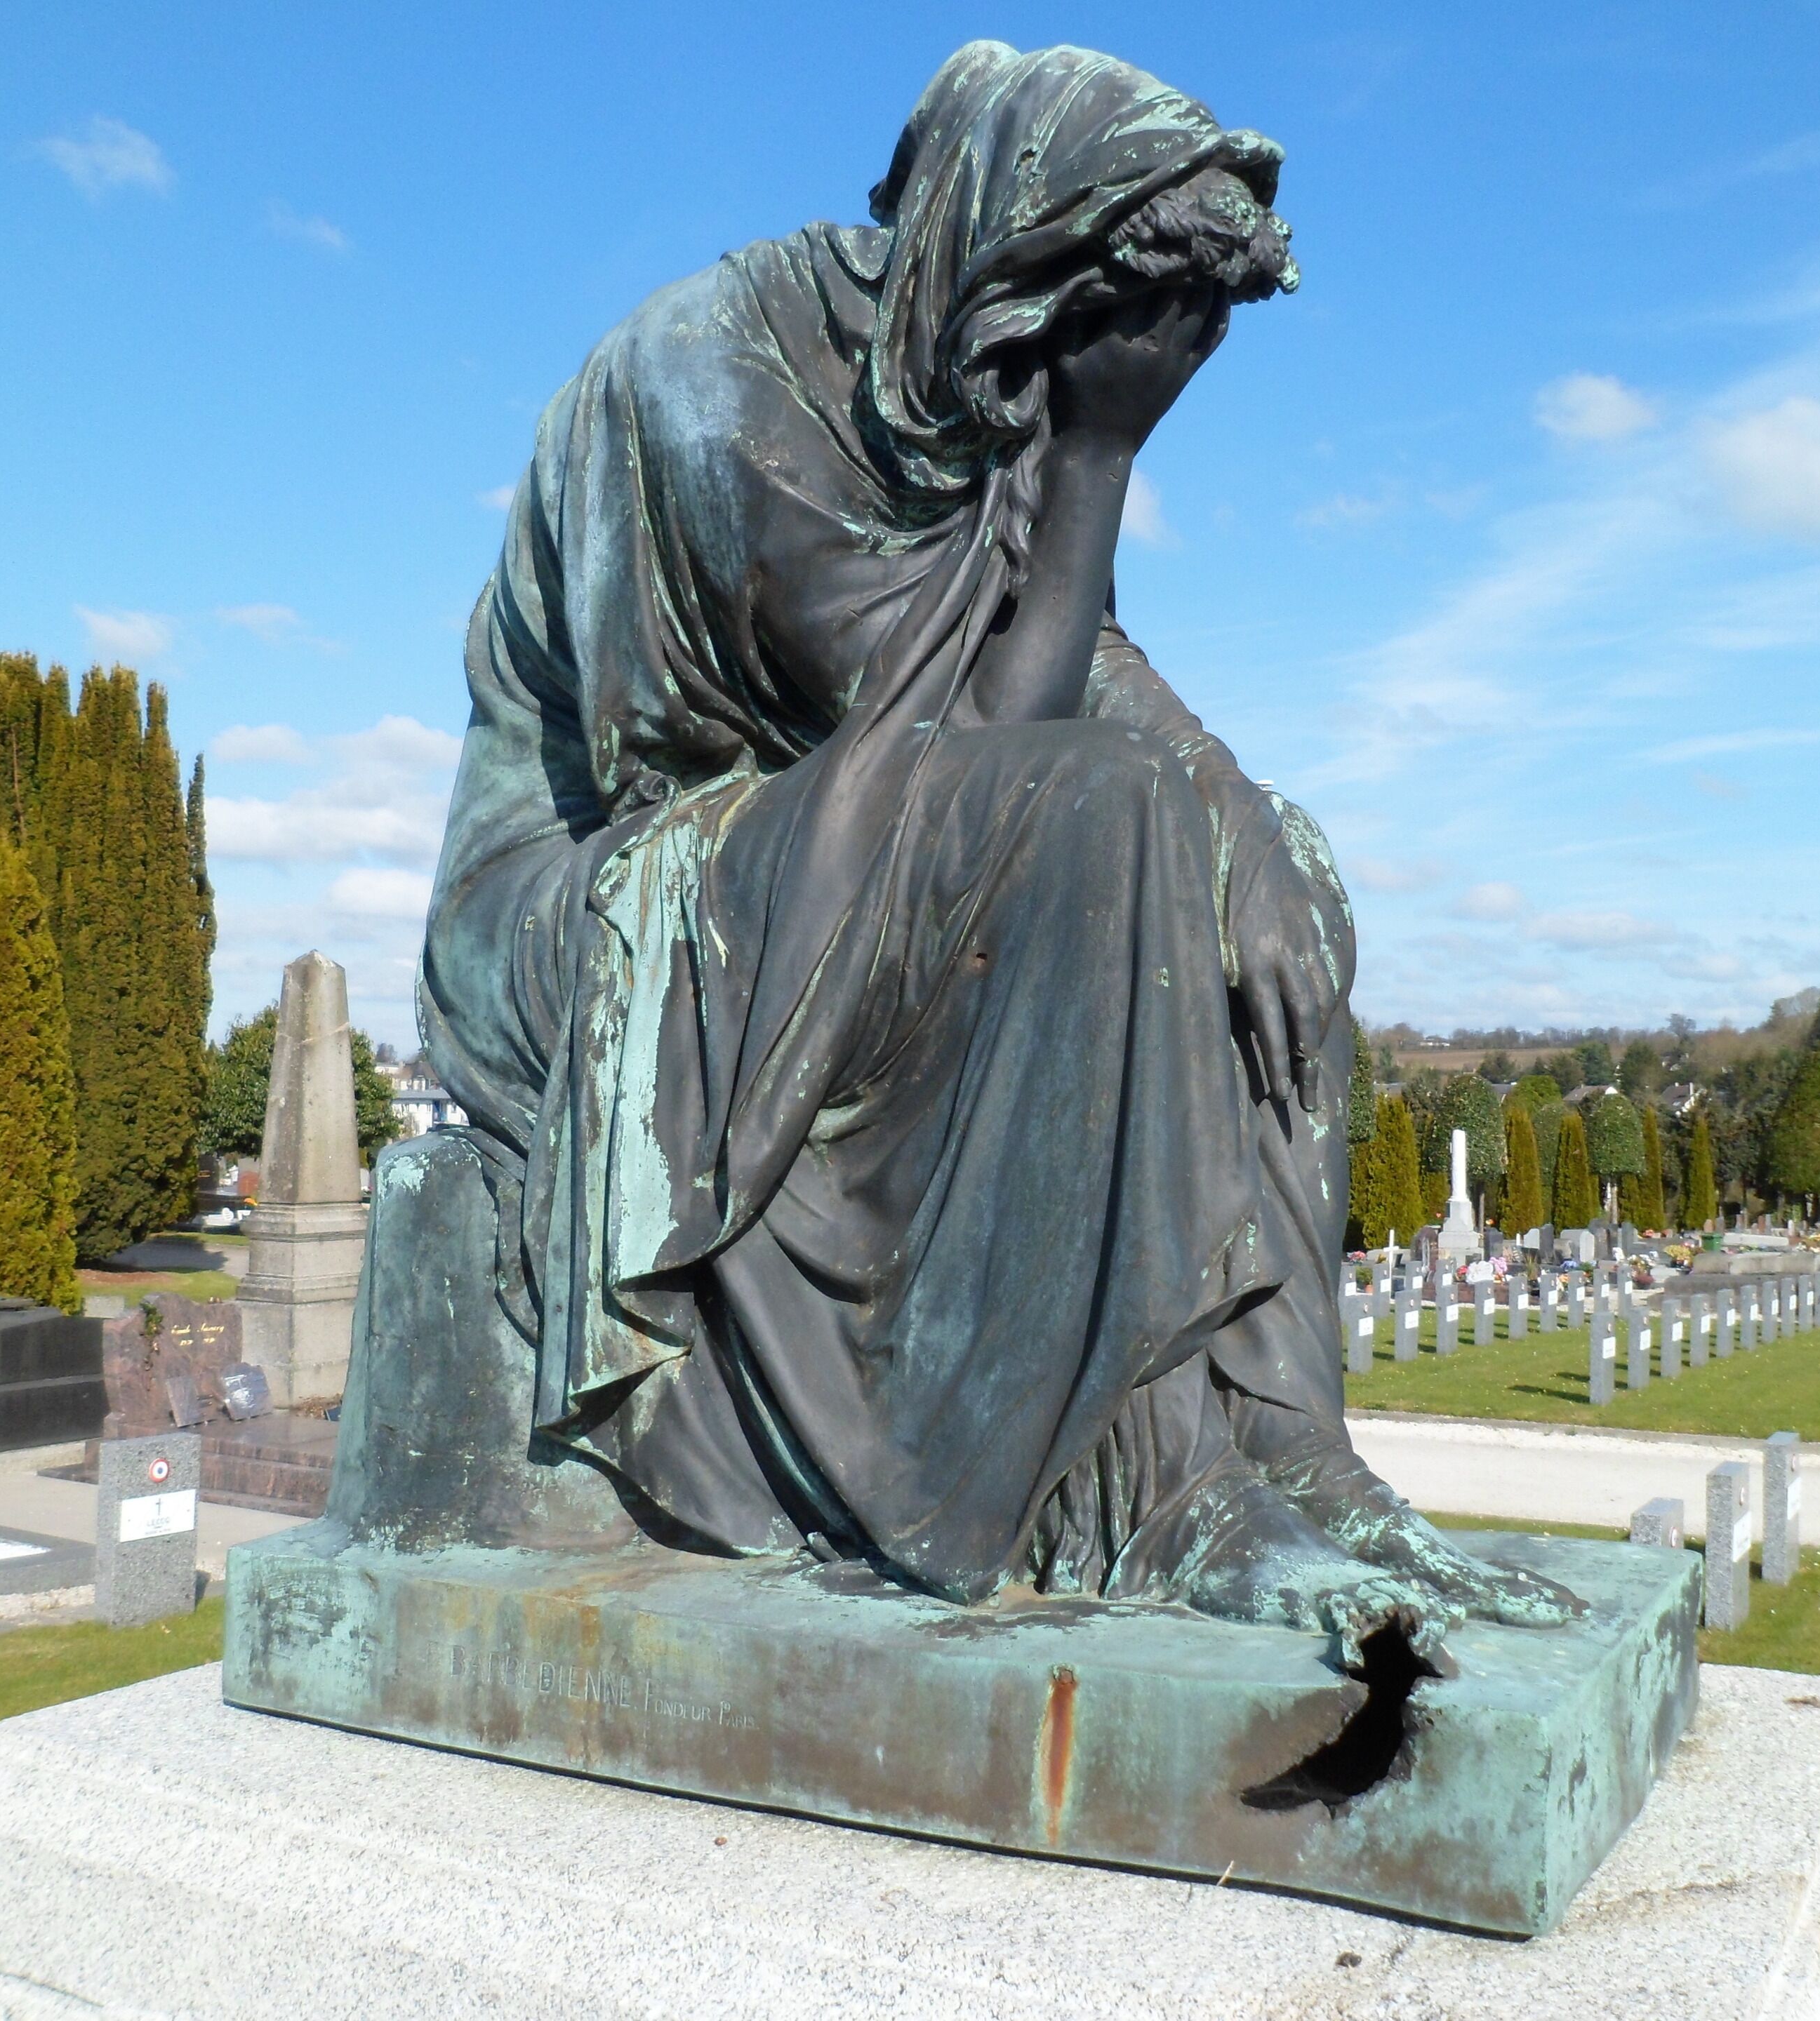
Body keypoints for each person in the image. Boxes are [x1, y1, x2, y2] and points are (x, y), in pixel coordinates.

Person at [400, 41, 1574, 1672]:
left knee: (1271, 862)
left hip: (823, 833)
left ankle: (1290, 1446)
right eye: (1123, 344)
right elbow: (963, 745)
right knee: (1098, 817)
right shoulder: (714, 380)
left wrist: (1242, 813)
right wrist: (1098, 462)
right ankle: (1149, 1499)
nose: (1112, 387)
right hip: (587, 895)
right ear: (1014, 264)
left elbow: (1090, 670)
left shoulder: (970, 387)